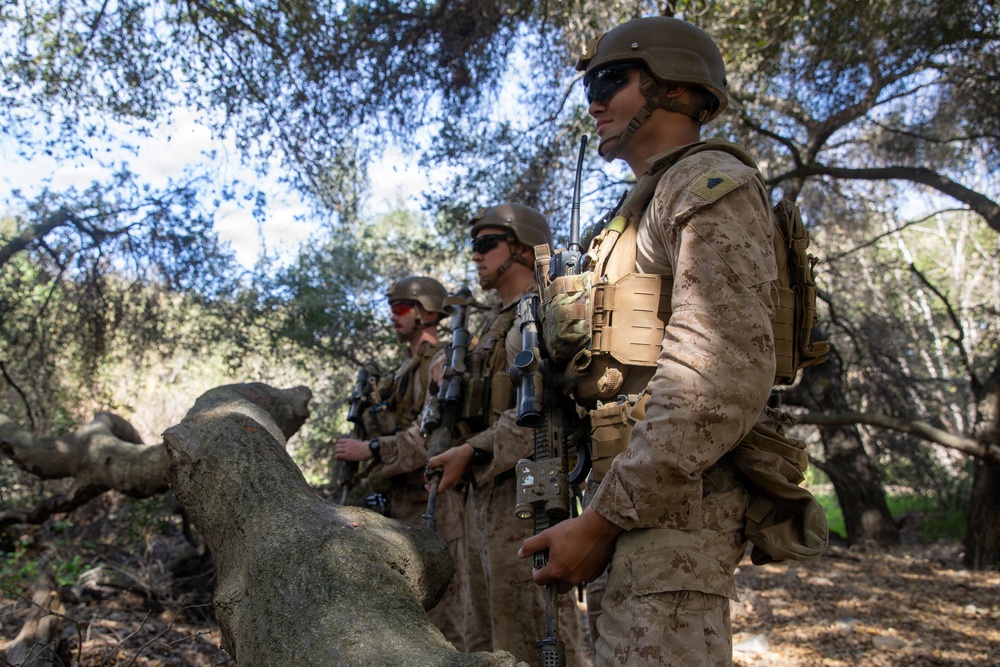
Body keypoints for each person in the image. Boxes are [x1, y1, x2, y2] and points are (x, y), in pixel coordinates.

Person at [519, 16, 778, 667]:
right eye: (589, 87)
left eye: (611, 79)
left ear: (674, 86)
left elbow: (720, 375)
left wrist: (602, 519)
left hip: (667, 513)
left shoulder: (704, 186)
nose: (594, 102)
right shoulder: (636, 210)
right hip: (629, 502)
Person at [427, 203, 585, 666]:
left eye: (485, 244)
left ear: (520, 248)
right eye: (473, 246)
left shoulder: (543, 313)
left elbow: (542, 413)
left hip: (528, 494)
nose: (475, 255)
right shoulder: (489, 329)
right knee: (485, 639)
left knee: (533, 633)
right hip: (483, 496)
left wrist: (474, 451)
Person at [334, 275, 467, 649]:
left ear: (425, 313)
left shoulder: (443, 362)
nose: (393, 316)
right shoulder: (401, 372)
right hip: (398, 507)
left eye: (400, 308)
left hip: (433, 506)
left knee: (445, 621)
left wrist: (373, 449)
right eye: (391, 309)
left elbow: (434, 434)